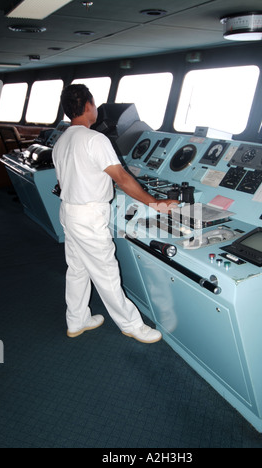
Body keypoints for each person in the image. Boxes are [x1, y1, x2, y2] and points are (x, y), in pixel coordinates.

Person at [52, 84, 177, 343]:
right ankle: (132, 325)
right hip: (88, 216)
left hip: (69, 211)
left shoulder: (62, 140)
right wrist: (155, 203)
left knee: (77, 268)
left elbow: (68, 180)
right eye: (94, 103)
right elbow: (121, 178)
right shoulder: (95, 139)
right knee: (106, 272)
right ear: (88, 106)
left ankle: (77, 320)